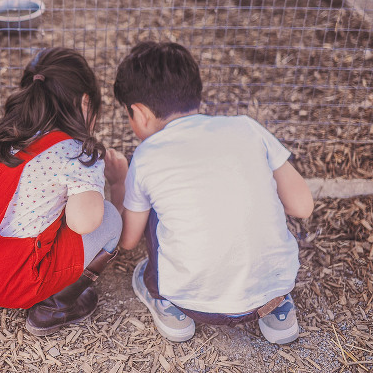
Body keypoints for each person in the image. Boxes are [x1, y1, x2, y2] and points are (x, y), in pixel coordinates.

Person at [112, 41, 314, 346]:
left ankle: (167, 305)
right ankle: (279, 310)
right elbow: (302, 206)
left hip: (192, 302)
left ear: (139, 113)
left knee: (157, 207)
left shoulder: (147, 154)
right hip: (270, 294)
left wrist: (119, 183)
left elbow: (128, 241)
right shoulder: (247, 128)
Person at [0, 47, 128, 337]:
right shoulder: (77, 153)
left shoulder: (3, 135)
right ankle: (56, 305)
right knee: (109, 219)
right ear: (85, 102)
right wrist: (117, 184)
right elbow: (86, 223)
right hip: (9, 283)